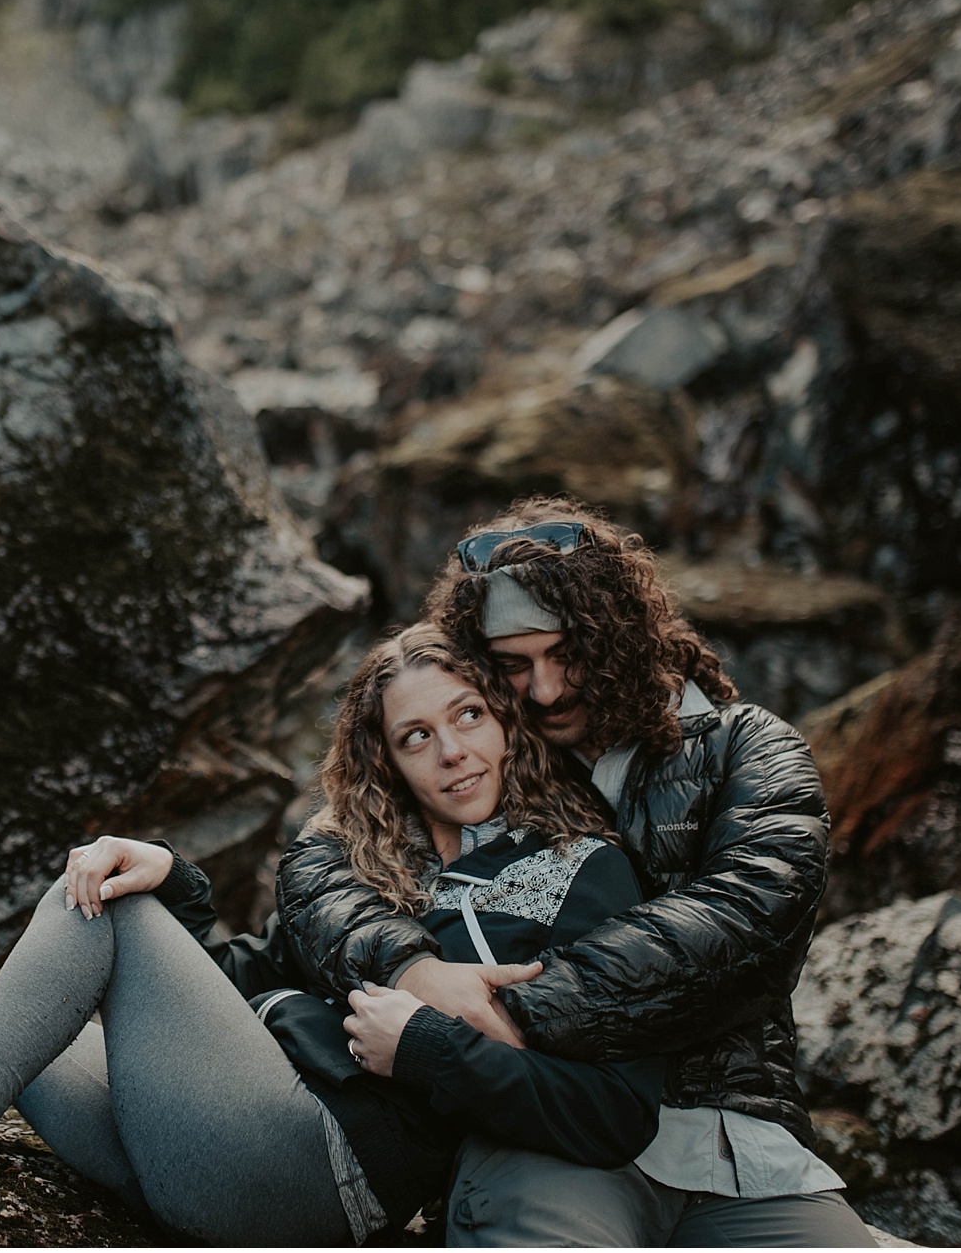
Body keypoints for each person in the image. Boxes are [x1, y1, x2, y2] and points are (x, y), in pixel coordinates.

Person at [0, 624, 662, 1248]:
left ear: (507, 718)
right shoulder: (368, 864)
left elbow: (612, 1110)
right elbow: (246, 978)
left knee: (107, 899)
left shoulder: (582, 872)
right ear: (385, 760)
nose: (449, 753)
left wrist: (432, 1046)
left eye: (468, 716)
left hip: (317, 1174)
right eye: (414, 736)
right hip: (206, 1138)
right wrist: (186, 884)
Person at [277, 498, 878, 1247]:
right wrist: (410, 970)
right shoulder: (489, 756)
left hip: (735, 1143)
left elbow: (751, 921)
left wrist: (509, 1012)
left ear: (622, 634)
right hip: (546, 1133)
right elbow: (319, 864)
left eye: (570, 654)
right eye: (513, 667)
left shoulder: (743, 749)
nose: (549, 689)